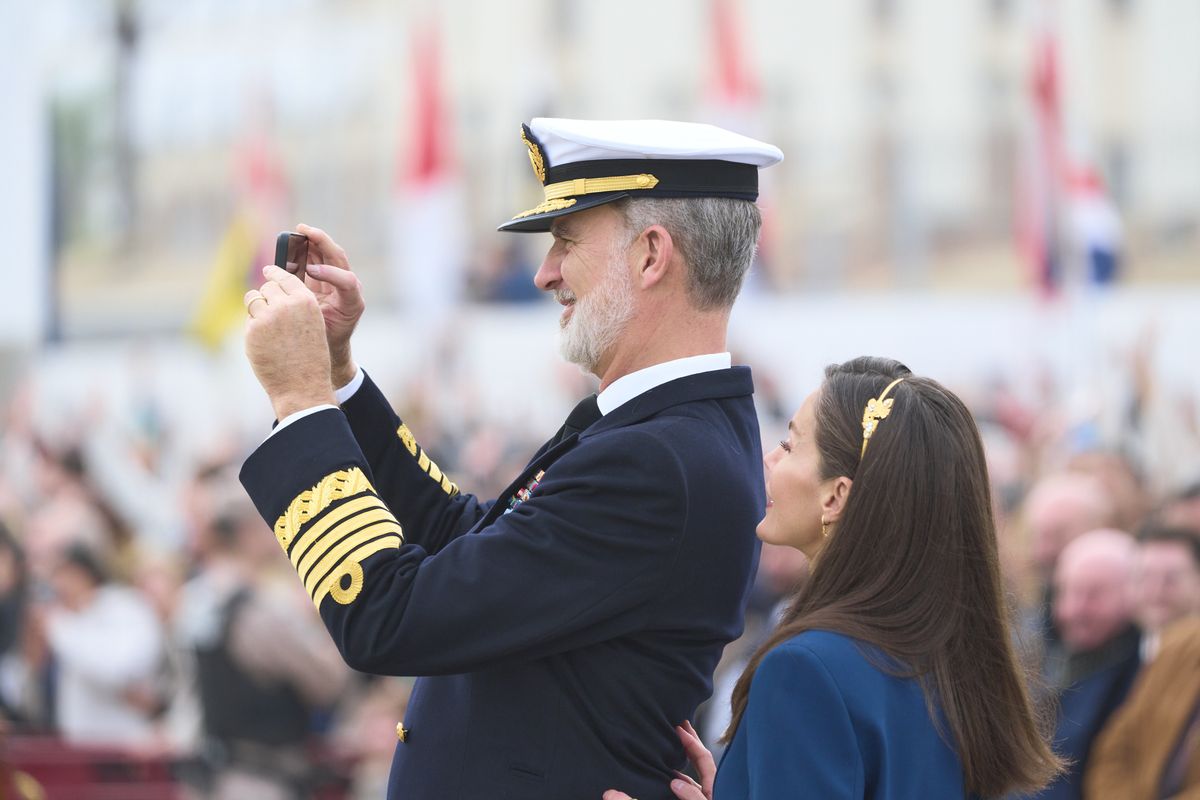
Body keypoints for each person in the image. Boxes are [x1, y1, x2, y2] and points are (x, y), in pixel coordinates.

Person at [237, 118, 783, 799]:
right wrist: (339, 379)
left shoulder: (656, 460)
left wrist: (301, 400)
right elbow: (469, 539)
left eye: (565, 241)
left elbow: (386, 617)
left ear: (651, 254)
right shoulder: (663, 435)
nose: (545, 272)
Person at [607, 357, 1062, 800]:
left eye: (789, 444)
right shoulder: (957, 655)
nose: (769, 458)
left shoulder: (807, 669)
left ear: (836, 496)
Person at [1035, 528, 1141, 800]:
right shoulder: (1031, 653)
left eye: (1094, 595)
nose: (1075, 610)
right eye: (1068, 592)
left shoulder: (1142, 673)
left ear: (1135, 594)